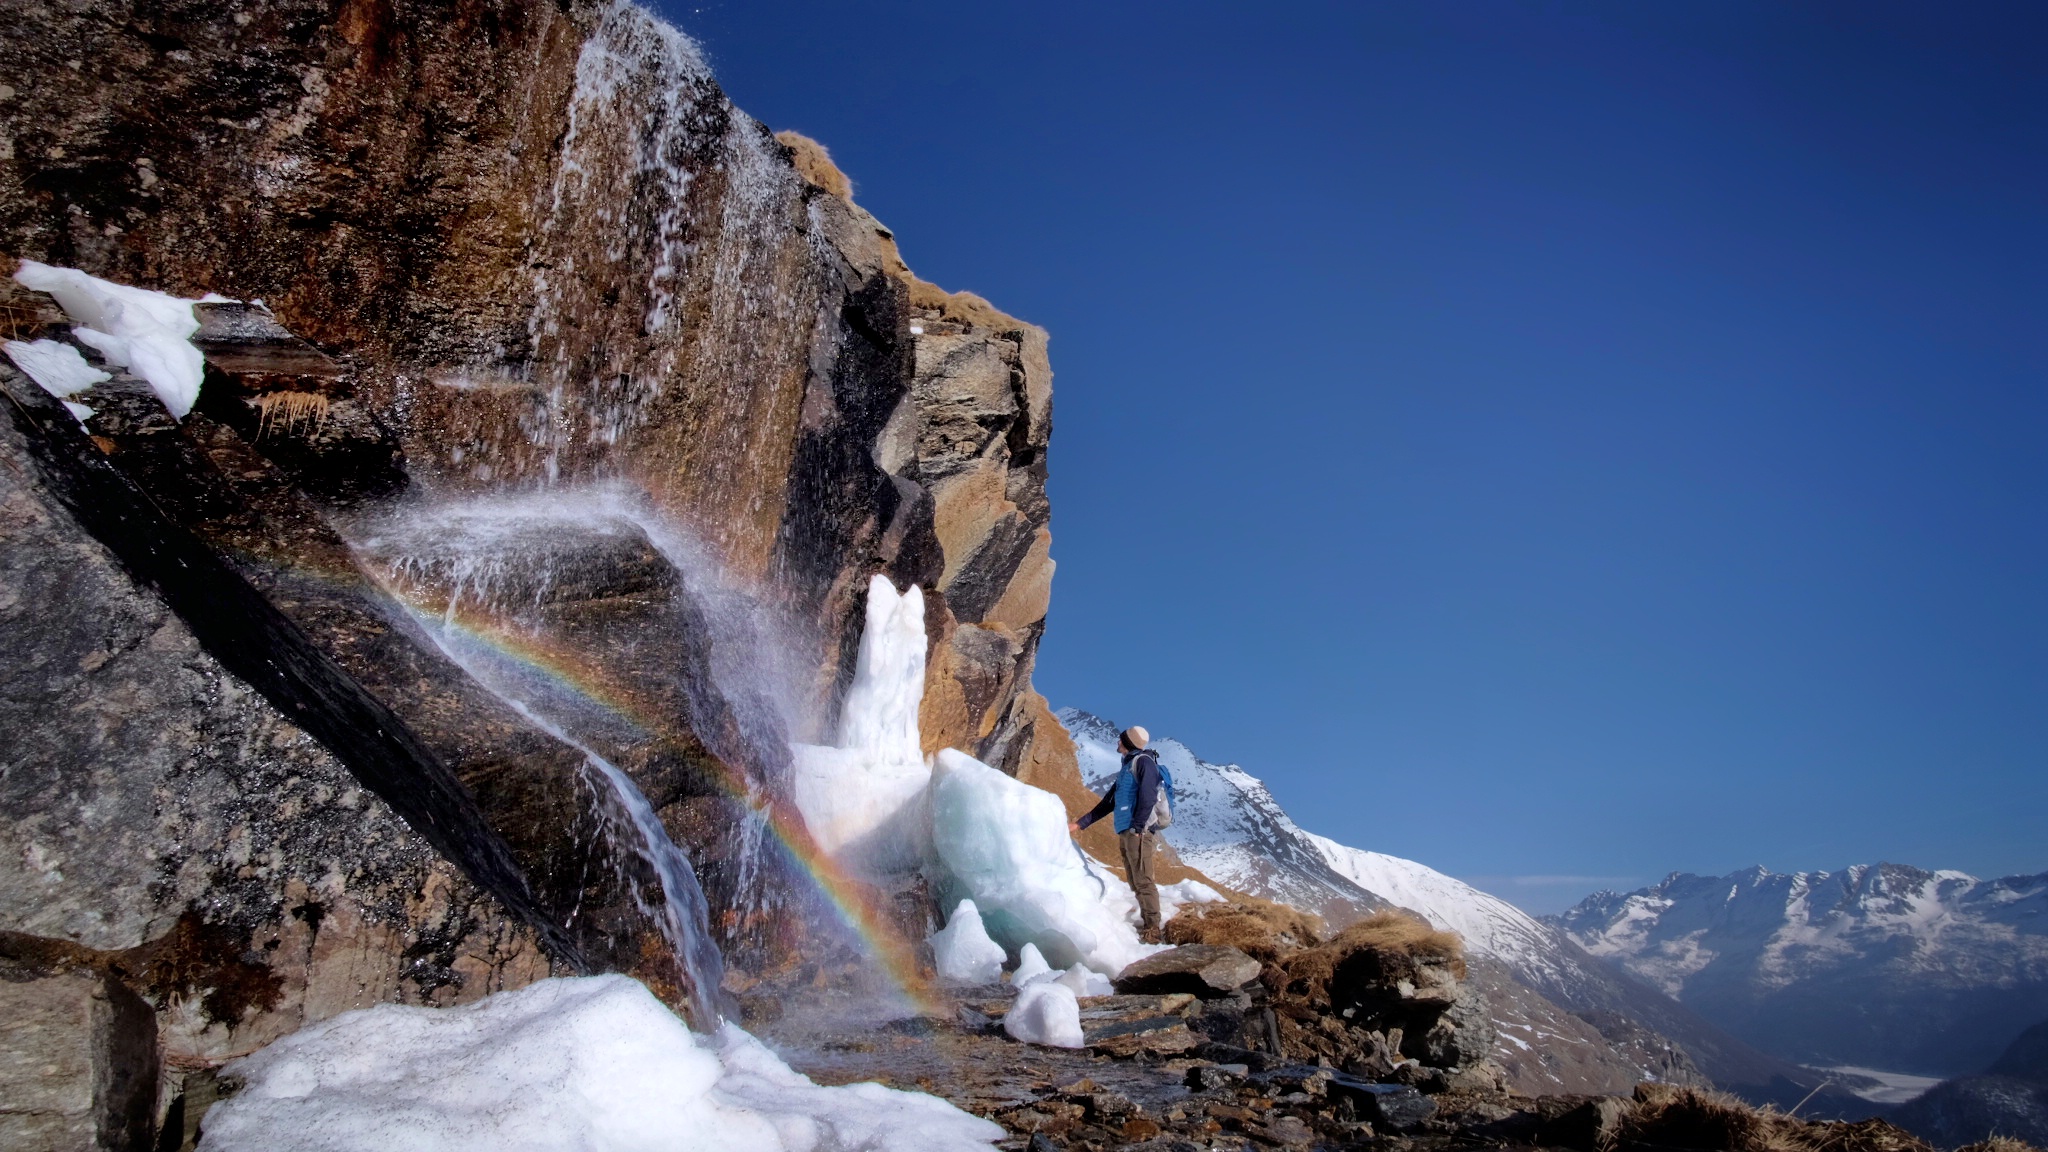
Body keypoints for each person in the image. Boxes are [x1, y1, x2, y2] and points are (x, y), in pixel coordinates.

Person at [1069, 725, 1165, 944]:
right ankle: (1147, 923)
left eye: (1121, 739)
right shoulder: (1128, 767)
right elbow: (1109, 803)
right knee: (1134, 879)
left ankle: (1153, 929)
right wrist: (1079, 824)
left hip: (1137, 831)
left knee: (1143, 879)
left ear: (1128, 742)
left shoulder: (1143, 763)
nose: (1117, 742)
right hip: (1127, 830)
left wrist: (1138, 827)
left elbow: (1149, 796)